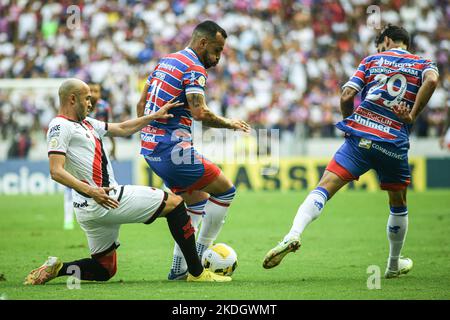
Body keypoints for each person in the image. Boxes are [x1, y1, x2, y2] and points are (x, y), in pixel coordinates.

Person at [263, 25, 439, 278]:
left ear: (387, 40)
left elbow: (346, 95)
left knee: (323, 187)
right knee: (398, 204)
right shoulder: (424, 63)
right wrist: (411, 115)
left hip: (359, 139)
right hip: (392, 142)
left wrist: (350, 125)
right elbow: (432, 80)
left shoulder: (370, 61)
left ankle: (293, 235)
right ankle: (392, 264)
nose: (379, 51)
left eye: (380, 46)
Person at [24, 78, 231, 285]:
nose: (90, 103)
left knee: (105, 269)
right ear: (72, 99)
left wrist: (154, 116)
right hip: (105, 199)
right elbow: (56, 171)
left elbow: (122, 128)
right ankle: (197, 272)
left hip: (90, 209)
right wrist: (92, 191)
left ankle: (58, 269)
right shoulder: (60, 126)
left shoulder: (86, 124)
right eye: (87, 99)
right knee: (176, 204)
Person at [136, 20, 251, 280]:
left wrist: (149, 132)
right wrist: (229, 124)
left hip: (150, 148)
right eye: (217, 50)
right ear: (202, 43)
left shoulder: (165, 61)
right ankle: (198, 257)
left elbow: (141, 103)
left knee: (197, 200)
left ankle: (179, 269)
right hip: (171, 150)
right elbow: (199, 113)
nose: (218, 57)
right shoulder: (194, 67)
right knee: (225, 190)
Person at [62, 82, 116, 230]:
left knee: (103, 180)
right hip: (81, 149)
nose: (94, 94)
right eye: (91, 91)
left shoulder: (104, 107)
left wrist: (113, 148)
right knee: (72, 185)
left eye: (96, 91)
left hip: (99, 147)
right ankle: (68, 219)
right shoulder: (76, 110)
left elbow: (110, 128)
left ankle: (104, 211)